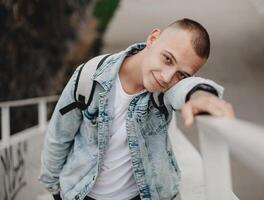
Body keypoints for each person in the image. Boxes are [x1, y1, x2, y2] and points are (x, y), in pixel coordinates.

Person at [39, 18, 234, 200]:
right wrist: (55, 189)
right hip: (83, 193)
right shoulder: (90, 76)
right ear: (153, 38)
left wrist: (200, 95)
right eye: (167, 59)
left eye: (181, 75)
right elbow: (59, 136)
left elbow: (185, 89)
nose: (167, 77)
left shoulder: (165, 91)